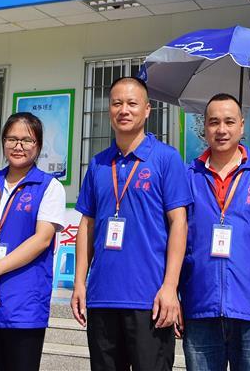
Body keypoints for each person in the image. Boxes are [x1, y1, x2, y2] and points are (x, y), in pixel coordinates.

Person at [71, 76, 192, 371]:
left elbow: (179, 223)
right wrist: (79, 283)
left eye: (132, 103)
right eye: (116, 103)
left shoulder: (166, 159)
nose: (123, 110)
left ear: (147, 110)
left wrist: (170, 287)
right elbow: (86, 226)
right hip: (102, 298)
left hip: (149, 300)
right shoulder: (99, 163)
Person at [180, 93, 250, 371]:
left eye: (229, 121)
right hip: (199, 306)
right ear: (204, 128)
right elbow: (174, 239)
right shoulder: (187, 175)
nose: (221, 130)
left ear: (242, 126)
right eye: (213, 122)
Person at [0, 111, 65, 371]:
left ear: (38, 145)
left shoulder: (49, 187)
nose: (18, 146)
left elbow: (41, 240)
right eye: (11, 139)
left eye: (27, 140)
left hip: (23, 306)